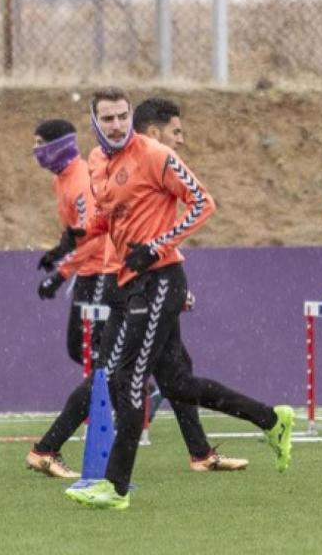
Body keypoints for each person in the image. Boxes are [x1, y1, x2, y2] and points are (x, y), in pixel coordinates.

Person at [63, 87, 294, 510]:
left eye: (121, 116)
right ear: (95, 123)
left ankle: (114, 488)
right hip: (128, 281)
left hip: (160, 279)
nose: (116, 125)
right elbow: (106, 216)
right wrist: (76, 238)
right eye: (107, 118)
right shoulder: (96, 161)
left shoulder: (154, 154)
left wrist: (156, 244)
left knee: (126, 379)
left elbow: (203, 203)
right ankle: (272, 419)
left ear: (131, 118)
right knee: (178, 384)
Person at [132, 96, 249, 471]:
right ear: (154, 132)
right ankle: (50, 446)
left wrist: (170, 277)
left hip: (155, 276)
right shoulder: (147, 162)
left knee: (177, 367)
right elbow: (199, 206)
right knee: (124, 373)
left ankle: (200, 453)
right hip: (136, 279)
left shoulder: (135, 164)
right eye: (176, 132)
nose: (181, 140)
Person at [26, 118, 119, 478]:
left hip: (98, 270)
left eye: (40, 143)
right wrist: (57, 251)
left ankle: (115, 402)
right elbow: (77, 231)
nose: (36, 151)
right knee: (75, 347)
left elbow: (98, 238)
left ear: (58, 145)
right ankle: (120, 393)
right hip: (83, 267)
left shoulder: (81, 180)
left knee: (98, 352)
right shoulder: (60, 180)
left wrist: (61, 273)